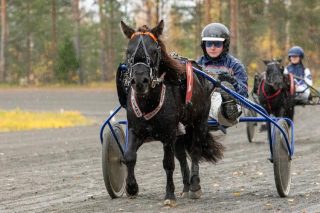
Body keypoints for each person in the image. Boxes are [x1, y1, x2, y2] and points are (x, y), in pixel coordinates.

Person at [197, 22, 248, 128]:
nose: (213, 47)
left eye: (217, 44)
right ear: (204, 45)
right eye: (209, 44)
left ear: (225, 45)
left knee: (224, 89)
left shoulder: (235, 65)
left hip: (228, 110)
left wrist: (233, 82)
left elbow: (244, 95)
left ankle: (215, 115)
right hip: (203, 105)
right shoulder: (198, 65)